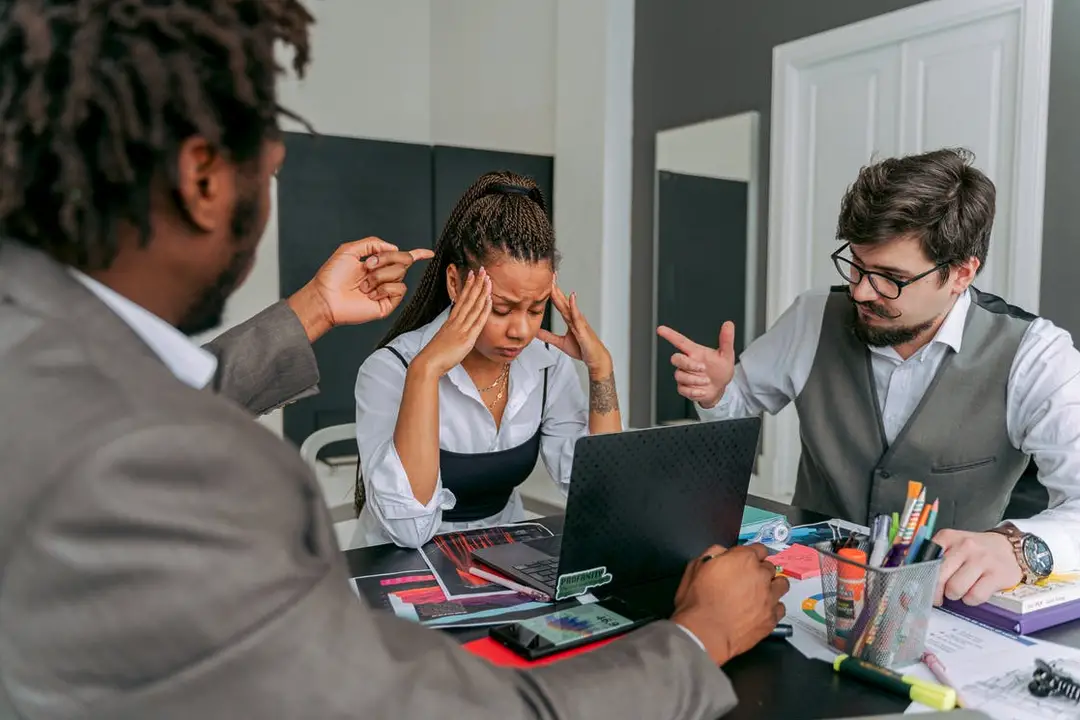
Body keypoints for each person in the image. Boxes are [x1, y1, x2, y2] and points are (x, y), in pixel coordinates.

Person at [0, 2, 790, 718]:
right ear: (204, 177)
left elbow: (151, 392)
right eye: (271, 173)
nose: (519, 328)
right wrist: (696, 640)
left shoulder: (38, 361)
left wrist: (312, 306)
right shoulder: (160, 470)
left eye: (531, 308)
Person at [659, 147, 1080, 608]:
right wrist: (720, 390)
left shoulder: (1035, 354)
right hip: (806, 592)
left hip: (945, 606)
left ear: (961, 274)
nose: (860, 291)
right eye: (856, 264)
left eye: (889, 278)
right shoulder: (811, 317)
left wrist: (1016, 549)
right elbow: (737, 403)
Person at [352, 171, 621, 548]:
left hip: (501, 553)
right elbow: (408, 530)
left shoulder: (547, 367)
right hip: (402, 563)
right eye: (501, 308)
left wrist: (600, 370)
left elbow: (600, 492)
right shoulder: (390, 369)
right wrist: (426, 372)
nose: (520, 331)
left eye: (536, 309)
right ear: (455, 284)